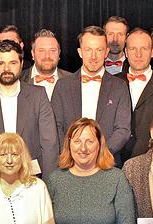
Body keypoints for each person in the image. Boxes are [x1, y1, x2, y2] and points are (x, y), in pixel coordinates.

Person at [0, 40, 59, 178]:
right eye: (1, 63)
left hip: (30, 177)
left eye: (12, 63)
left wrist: (49, 183)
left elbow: (50, 143)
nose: (6, 68)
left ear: (21, 64)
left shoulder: (38, 95)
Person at [51, 26, 131, 161]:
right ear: (80, 52)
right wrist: (71, 154)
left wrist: (101, 154)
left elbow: (123, 130)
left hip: (107, 163)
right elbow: (55, 127)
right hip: (70, 164)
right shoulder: (62, 86)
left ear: (106, 52)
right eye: (88, 50)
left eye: (99, 50)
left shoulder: (120, 87)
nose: (93, 56)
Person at [115, 28, 153, 160]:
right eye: (133, 49)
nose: (138, 54)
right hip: (114, 161)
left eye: (144, 49)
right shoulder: (111, 83)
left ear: (152, 52)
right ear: (126, 52)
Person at [19, 29, 72, 100]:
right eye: (41, 51)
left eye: (52, 50)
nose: (47, 56)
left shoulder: (73, 81)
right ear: (33, 54)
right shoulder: (19, 80)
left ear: (59, 53)